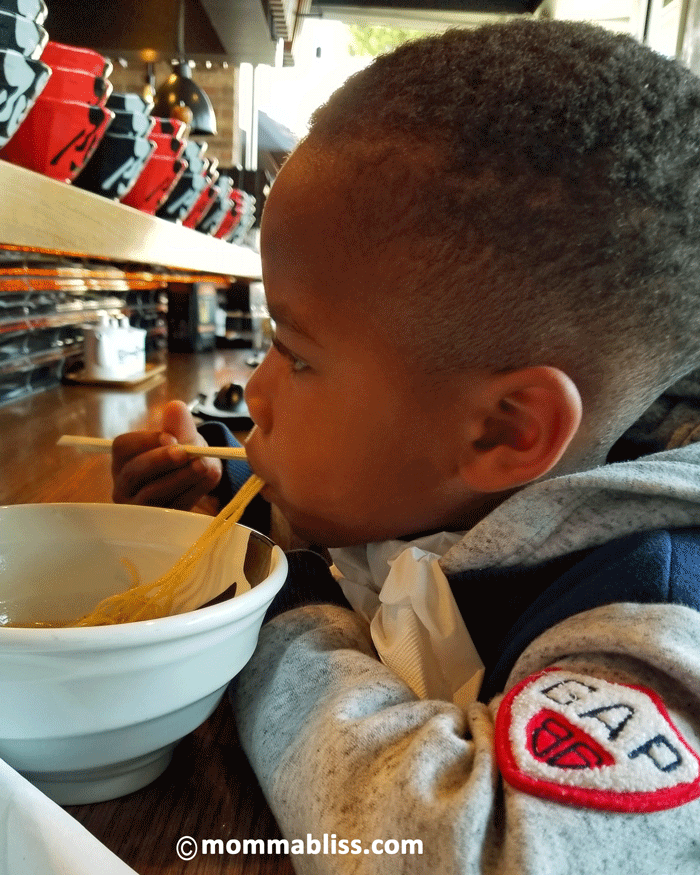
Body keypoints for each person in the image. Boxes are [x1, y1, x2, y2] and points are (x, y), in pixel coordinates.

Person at [112, 19, 700, 874]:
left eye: (298, 353)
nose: (257, 392)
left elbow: (465, 853)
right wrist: (209, 512)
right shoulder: (447, 483)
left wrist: (274, 609)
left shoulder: (649, 612)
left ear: (504, 430)